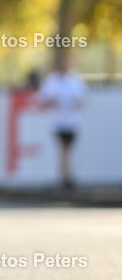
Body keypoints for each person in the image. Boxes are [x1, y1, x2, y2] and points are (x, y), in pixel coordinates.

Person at [37, 54, 88, 189]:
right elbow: (43, 100)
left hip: (72, 120)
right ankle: (64, 176)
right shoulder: (52, 80)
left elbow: (83, 100)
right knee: (62, 148)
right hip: (58, 120)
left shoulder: (75, 79)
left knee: (68, 149)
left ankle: (67, 175)